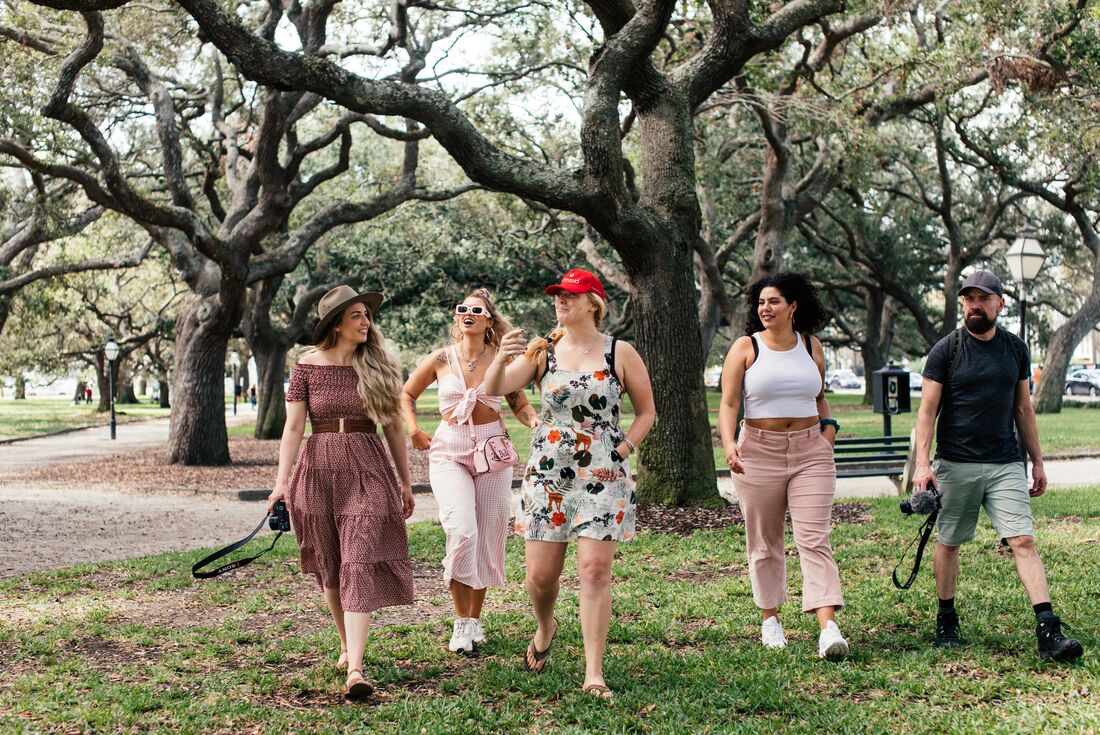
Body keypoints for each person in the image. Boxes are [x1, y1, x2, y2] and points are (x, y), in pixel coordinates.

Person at [484, 268, 655, 699]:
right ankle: (546, 627)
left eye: (571, 296)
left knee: (595, 570)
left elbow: (647, 411)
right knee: (540, 578)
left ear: (594, 303)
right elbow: (495, 389)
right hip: (548, 474)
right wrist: (502, 357)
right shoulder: (544, 352)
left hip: (603, 475)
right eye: (558, 295)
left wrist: (623, 449)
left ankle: (593, 673)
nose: (561, 301)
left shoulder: (620, 352)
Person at [914, 271, 1083, 660]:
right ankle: (946, 619)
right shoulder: (947, 350)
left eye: (983, 298)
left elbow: (1023, 408)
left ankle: (1047, 631)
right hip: (957, 462)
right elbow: (927, 411)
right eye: (969, 298)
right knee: (950, 541)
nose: (975, 305)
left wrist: (1037, 462)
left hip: (1007, 461)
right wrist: (923, 465)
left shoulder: (1015, 349)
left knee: (1023, 539)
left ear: (999, 304)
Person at [266, 285, 416, 701]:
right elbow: (294, 427)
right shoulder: (307, 366)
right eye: (357, 316)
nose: (366, 322)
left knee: (359, 558)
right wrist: (282, 482)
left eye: (367, 315)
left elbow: (393, 428)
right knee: (331, 565)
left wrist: (405, 481)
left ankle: (355, 668)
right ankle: (347, 643)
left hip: (367, 467)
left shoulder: (380, 364)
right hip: (317, 469)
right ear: (336, 323)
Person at [401, 288, 540, 654]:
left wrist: (535, 421)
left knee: (487, 535)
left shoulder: (502, 359)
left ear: (488, 320)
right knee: (462, 529)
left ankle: (473, 621)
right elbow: (406, 395)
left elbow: (519, 404)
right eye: (462, 309)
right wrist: (413, 429)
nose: (468, 313)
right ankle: (461, 622)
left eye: (476, 310)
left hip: (491, 450)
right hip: (449, 450)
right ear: (456, 318)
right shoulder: (440, 358)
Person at [718, 271, 849, 660]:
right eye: (760, 302)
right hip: (758, 451)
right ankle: (770, 619)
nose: (765, 308)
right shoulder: (746, 347)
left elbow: (820, 396)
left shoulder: (811, 346)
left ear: (793, 306)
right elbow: (728, 404)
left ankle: (828, 628)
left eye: (773, 301)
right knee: (765, 542)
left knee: (814, 539)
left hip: (811, 452)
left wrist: (828, 436)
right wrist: (729, 444)